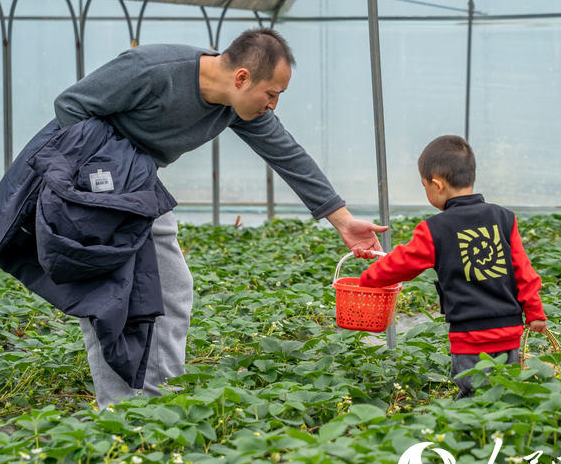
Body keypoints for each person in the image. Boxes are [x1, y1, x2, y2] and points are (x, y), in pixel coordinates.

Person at [52, 28, 386, 407]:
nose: (273, 105)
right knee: (107, 298)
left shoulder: (235, 106)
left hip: (140, 189)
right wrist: (102, 181)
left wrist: (343, 221)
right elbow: (70, 105)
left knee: (171, 289)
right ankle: (116, 410)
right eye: (271, 94)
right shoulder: (151, 70)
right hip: (90, 190)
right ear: (242, 77)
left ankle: (162, 401)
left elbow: (287, 154)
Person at [355, 135, 546, 399]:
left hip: (469, 338)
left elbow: (402, 264)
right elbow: (524, 272)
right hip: (509, 333)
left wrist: (368, 279)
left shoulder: (435, 229)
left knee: (472, 396)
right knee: (505, 394)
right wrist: (535, 313)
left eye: (425, 186)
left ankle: (472, 434)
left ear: (437, 183)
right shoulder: (504, 218)